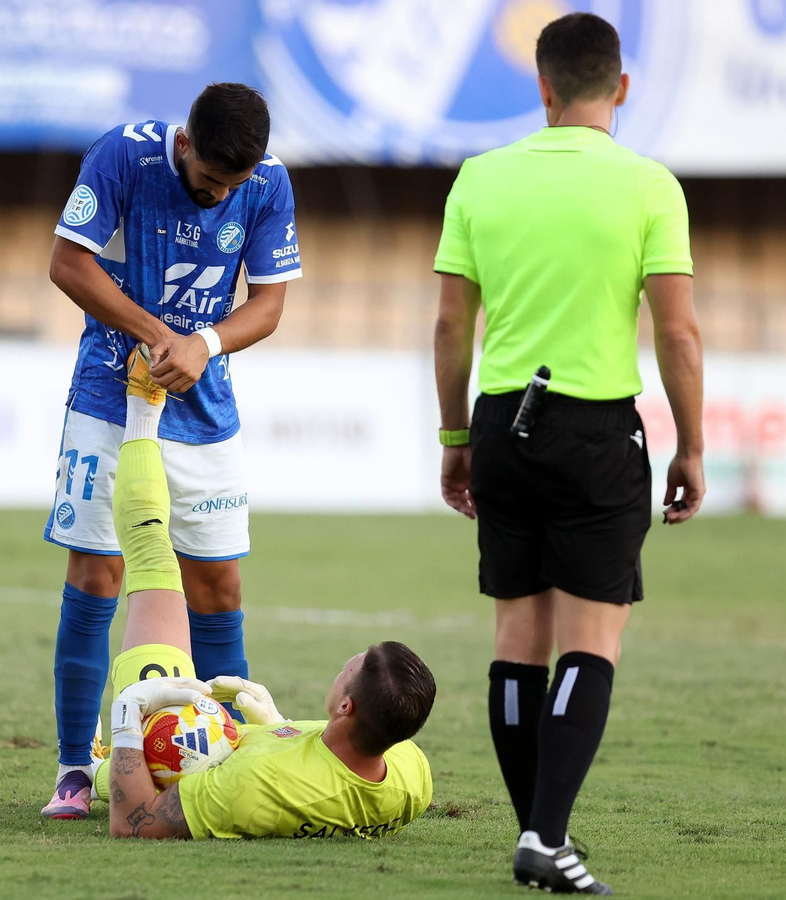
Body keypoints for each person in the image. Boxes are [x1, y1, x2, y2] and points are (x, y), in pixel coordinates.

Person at [432, 12, 704, 895]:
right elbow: (679, 333)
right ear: (620, 87)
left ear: (541, 87)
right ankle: (546, 836)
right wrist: (692, 446)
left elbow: (448, 326)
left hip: (503, 422)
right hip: (595, 429)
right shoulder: (650, 184)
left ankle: (539, 834)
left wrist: (455, 438)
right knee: (594, 637)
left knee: (518, 640)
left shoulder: (480, 177)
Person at [40, 83, 302, 820]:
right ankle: (73, 768)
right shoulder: (124, 155)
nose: (223, 195)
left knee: (218, 587)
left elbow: (271, 302)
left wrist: (205, 343)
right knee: (98, 570)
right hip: (107, 393)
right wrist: (158, 334)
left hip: (203, 405)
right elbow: (67, 263)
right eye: (213, 182)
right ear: (185, 145)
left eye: (235, 185)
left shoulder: (268, 182)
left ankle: (236, 754)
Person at [90, 349, 434, 840]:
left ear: (345, 707)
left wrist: (127, 713)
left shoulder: (256, 786)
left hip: (191, 761)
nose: (343, 666)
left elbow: (134, 823)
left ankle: (143, 409)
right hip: (242, 745)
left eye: (349, 670)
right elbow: (336, 767)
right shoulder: (410, 772)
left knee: (152, 554)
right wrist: (279, 726)